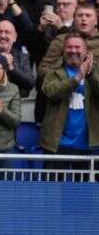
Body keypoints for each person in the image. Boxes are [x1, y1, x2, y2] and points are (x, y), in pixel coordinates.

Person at [41, 32, 99, 177]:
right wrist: (77, 77)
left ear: (86, 51)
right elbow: (51, 92)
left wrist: (91, 75)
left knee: (85, 196)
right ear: (63, 50)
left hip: (89, 146)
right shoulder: (53, 71)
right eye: (69, 47)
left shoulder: (96, 70)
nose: (73, 51)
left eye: (77, 47)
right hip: (57, 145)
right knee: (52, 195)